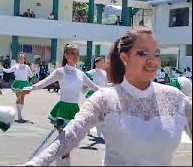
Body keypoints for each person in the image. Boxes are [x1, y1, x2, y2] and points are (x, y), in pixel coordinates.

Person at [24, 26, 192, 166]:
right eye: (143, 53)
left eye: (156, 54)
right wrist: (37, 162)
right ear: (124, 57)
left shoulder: (175, 98)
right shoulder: (105, 98)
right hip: (66, 107)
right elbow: (71, 134)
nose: (153, 61)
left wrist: (102, 89)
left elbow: (93, 86)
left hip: (78, 103)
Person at [23, 44, 100, 166]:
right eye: (72, 53)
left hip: (75, 111)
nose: (75, 56)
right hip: (63, 110)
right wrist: (31, 87)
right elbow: (44, 82)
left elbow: (95, 87)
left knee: (67, 145)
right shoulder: (60, 71)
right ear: (66, 55)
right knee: (65, 144)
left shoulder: (81, 74)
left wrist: (111, 92)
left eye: (77, 54)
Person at [3, 54, 33, 122]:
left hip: (24, 83)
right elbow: (8, 71)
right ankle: (19, 114)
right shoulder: (15, 66)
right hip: (17, 83)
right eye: (20, 58)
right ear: (18, 59)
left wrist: (33, 71)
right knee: (19, 97)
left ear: (25, 59)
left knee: (22, 98)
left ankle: (19, 113)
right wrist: (2, 69)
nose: (21, 59)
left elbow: (31, 75)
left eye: (22, 58)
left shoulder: (27, 67)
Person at [85, 57, 108, 138]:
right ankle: (87, 130)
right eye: (101, 62)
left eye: (103, 62)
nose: (102, 64)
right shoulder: (91, 72)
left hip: (102, 95)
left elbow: (105, 84)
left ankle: (99, 133)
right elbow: (85, 82)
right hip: (93, 95)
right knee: (92, 114)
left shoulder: (104, 73)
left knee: (101, 115)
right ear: (96, 63)